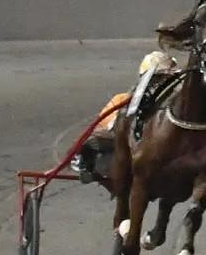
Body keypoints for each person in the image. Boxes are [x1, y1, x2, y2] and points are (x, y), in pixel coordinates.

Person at [78, 48, 181, 180]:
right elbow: (111, 125)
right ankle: (85, 168)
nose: (161, 83)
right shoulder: (127, 99)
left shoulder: (174, 99)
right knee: (90, 141)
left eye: (165, 78)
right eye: (158, 78)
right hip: (121, 133)